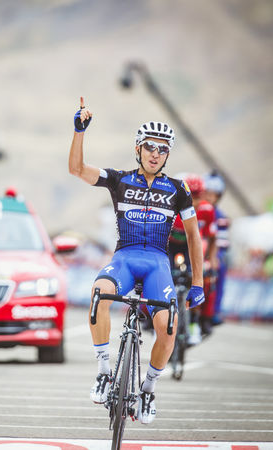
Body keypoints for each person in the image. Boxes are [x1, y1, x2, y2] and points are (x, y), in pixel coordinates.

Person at [68, 97, 204, 425]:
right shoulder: (119, 180)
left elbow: (193, 236)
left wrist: (198, 282)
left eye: (162, 149)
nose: (155, 153)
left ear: (167, 154)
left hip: (158, 263)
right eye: (150, 147)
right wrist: (79, 132)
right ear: (138, 149)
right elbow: (77, 170)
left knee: (168, 327)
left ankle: (148, 389)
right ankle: (104, 371)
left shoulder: (178, 189)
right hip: (125, 259)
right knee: (99, 293)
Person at [169, 173, 218, 343]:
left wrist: (212, 260)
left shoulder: (207, 210)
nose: (194, 201)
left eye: (198, 197)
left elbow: (212, 238)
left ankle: (195, 321)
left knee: (203, 276)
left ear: (203, 195)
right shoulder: (172, 206)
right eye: (191, 196)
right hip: (171, 246)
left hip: (191, 247)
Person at [204, 171, 230, 325]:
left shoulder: (221, 217)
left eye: (213, 194)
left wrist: (214, 257)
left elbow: (222, 244)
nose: (209, 197)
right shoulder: (195, 210)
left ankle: (214, 310)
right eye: (207, 192)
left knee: (220, 268)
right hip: (191, 252)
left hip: (210, 255)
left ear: (218, 197)